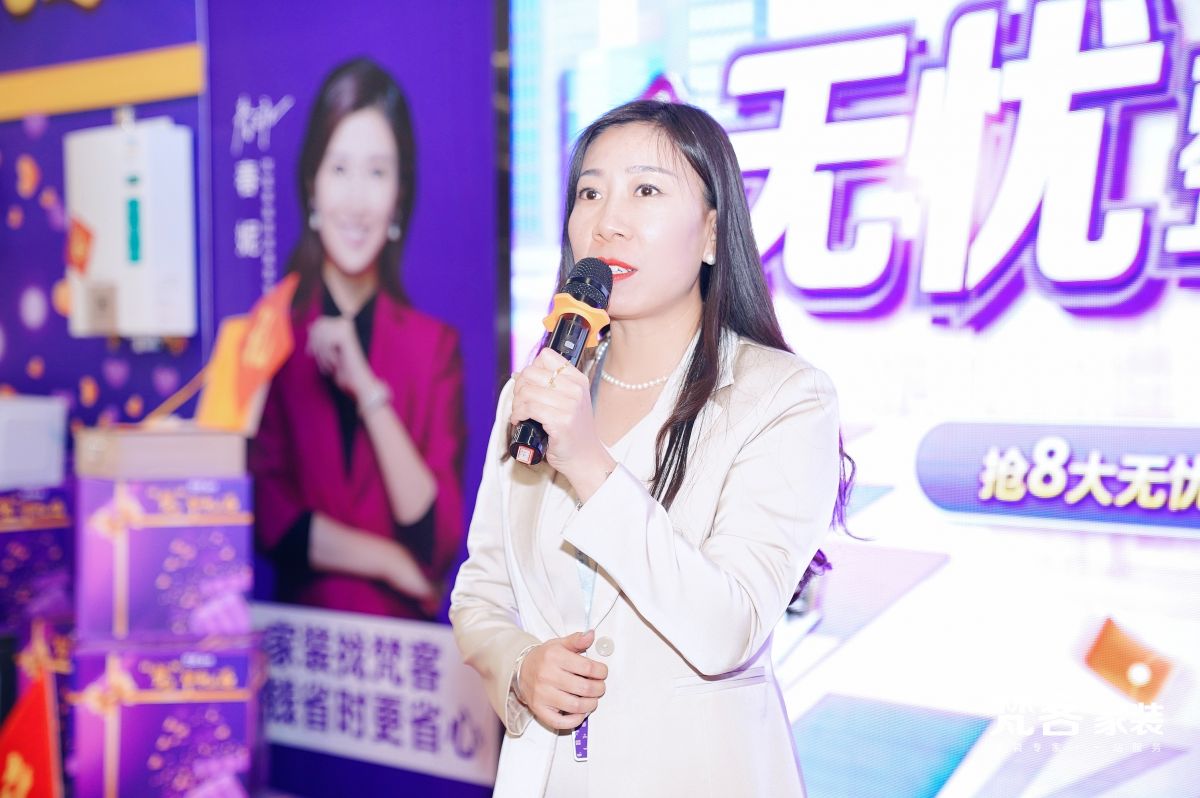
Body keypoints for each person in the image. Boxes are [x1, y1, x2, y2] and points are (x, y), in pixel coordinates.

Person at [450, 100, 852, 797]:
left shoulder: (784, 398)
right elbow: (480, 590)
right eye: (590, 193)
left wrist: (589, 463)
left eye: (645, 190)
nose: (608, 221)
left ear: (712, 233)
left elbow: (728, 630)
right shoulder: (536, 391)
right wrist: (519, 666)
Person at [250, 58, 465, 620]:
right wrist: (386, 561)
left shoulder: (434, 349)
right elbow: (268, 516)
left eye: (377, 172)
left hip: (401, 655)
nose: (355, 199)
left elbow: (437, 537)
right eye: (339, 168)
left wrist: (368, 390)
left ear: (399, 196)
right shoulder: (270, 334)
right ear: (311, 186)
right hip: (302, 648)